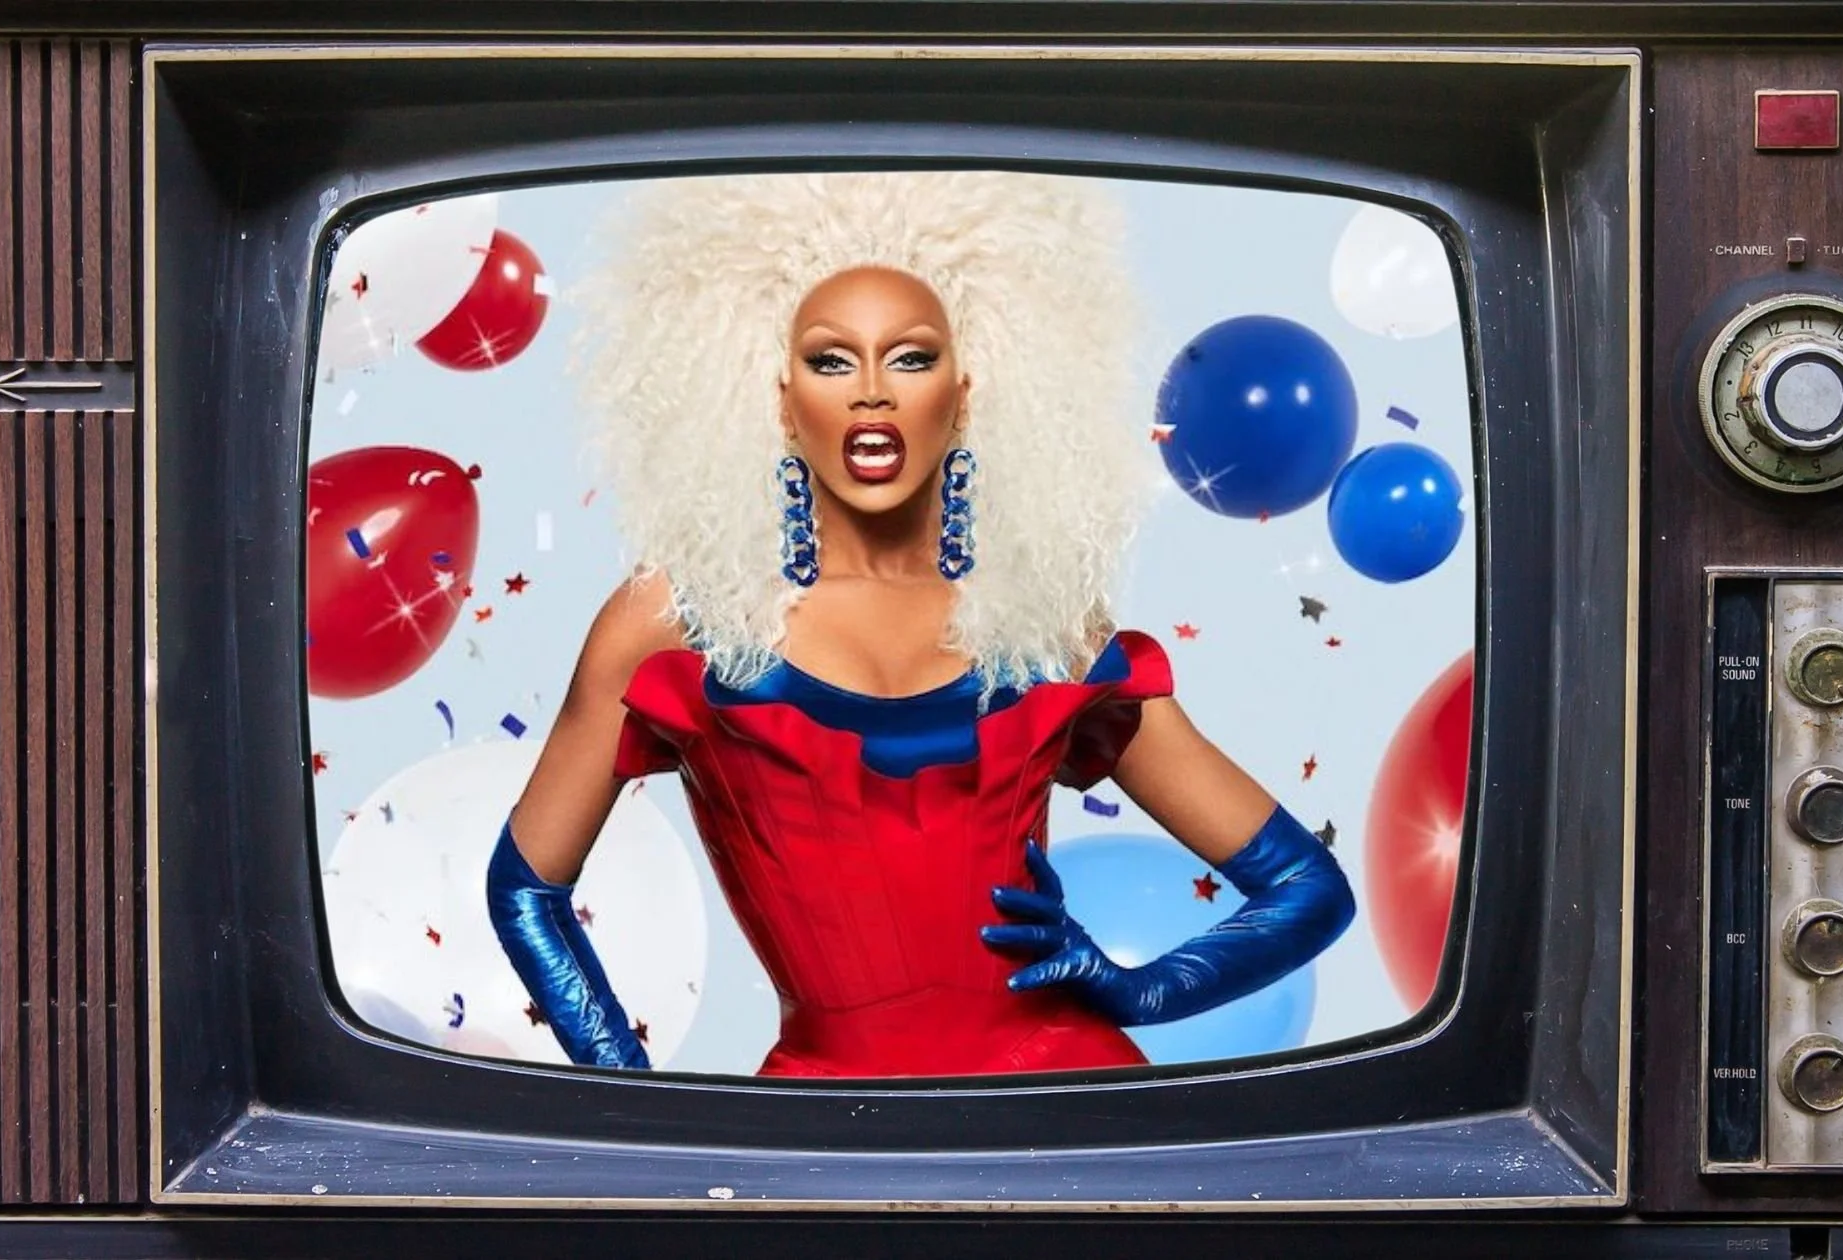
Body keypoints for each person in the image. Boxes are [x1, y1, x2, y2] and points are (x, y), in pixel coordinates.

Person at [486, 171, 1354, 1077]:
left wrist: (1138, 992)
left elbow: (1307, 888)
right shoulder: (677, 622)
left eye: (910, 357)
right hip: (815, 1139)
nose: (871, 391)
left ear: (965, 394)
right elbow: (525, 891)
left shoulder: (1043, 627)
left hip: (1067, 1113)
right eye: (831, 360)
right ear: (782, 400)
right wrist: (643, 1107)